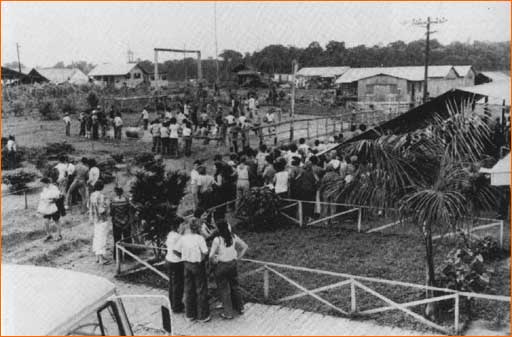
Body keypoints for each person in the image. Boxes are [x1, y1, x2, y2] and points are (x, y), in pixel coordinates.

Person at [209, 219, 248, 319]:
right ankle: (240, 308)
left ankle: (228, 313)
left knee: (224, 289)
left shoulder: (217, 240)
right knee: (235, 286)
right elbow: (245, 246)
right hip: (232, 264)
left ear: (218, 229)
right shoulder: (233, 236)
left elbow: (211, 255)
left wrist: (214, 261)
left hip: (222, 265)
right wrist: (238, 258)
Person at [173, 218, 211, 323]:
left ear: (189, 227)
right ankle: (203, 316)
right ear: (198, 227)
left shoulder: (183, 238)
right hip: (197, 264)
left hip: (187, 264)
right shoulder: (200, 238)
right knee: (201, 289)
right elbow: (205, 252)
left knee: (189, 289)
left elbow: (175, 250)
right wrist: (201, 259)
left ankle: (190, 315)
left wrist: (183, 257)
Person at [165, 220, 185, 314]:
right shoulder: (179, 237)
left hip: (169, 260)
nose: (183, 227)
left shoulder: (170, 234)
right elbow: (176, 251)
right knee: (178, 285)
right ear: (177, 227)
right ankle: (177, 306)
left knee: (172, 284)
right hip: (177, 262)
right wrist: (184, 257)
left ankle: (172, 303)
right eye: (182, 225)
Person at [90, 181, 110, 265]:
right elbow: (101, 210)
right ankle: (101, 259)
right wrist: (107, 205)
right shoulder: (101, 196)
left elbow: (89, 206)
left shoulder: (92, 195)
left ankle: (98, 257)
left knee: (97, 237)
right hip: (102, 219)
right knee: (102, 238)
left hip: (95, 219)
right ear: (102, 187)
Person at [37, 177, 63, 242]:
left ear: (47, 183)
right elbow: (43, 197)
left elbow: (59, 196)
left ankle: (59, 235)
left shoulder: (54, 188)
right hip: (47, 207)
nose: (42, 185)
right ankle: (49, 235)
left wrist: (54, 200)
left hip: (54, 206)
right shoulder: (44, 189)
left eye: (43, 184)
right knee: (46, 221)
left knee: (56, 221)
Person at [110, 187, 131, 260]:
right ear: (122, 192)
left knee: (117, 240)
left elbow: (111, 213)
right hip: (126, 222)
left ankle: (117, 257)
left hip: (116, 222)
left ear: (116, 192)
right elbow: (129, 210)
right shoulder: (126, 200)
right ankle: (128, 256)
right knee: (127, 239)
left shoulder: (113, 201)